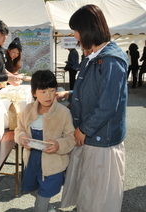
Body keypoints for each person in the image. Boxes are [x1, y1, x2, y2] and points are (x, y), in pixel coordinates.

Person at [57, 5, 128, 212]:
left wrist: (84, 129)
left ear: (88, 29)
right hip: (91, 137)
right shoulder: (94, 57)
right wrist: (67, 95)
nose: (75, 36)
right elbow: (92, 94)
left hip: (101, 139)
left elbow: (108, 105)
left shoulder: (111, 60)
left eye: (76, 30)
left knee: (99, 195)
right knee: (88, 189)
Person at [14, 70, 75, 212]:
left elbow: (70, 138)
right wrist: (22, 138)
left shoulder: (63, 113)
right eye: (43, 91)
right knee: (31, 189)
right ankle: (49, 209)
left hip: (52, 164)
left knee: (42, 200)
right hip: (32, 161)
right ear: (34, 93)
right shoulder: (27, 111)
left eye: (52, 90)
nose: (48, 95)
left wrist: (59, 145)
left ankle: (43, 208)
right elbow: (19, 129)